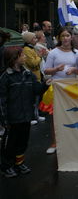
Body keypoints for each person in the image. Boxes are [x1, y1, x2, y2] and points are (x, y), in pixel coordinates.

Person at [0, 46, 51, 178]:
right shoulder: (5, 78)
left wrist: (45, 84)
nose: (25, 57)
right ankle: (7, 166)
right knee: (10, 143)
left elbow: (37, 90)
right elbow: (2, 100)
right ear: (14, 59)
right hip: (12, 118)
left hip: (26, 116)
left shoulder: (28, 74)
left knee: (23, 142)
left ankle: (19, 163)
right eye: (22, 55)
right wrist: (4, 120)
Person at [44, 27, 78, 154]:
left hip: (72, 88)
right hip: (57, 88)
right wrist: (56, 70)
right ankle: (55, 142)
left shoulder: (77, 53)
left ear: (71, 37)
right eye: (63, 36)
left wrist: (75, 70)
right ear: (59, 38)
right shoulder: (53, 52)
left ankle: (72, 141)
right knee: (56, 117)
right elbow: (46, 70)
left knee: (72, 115)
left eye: (67, 35)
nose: (65, 38)